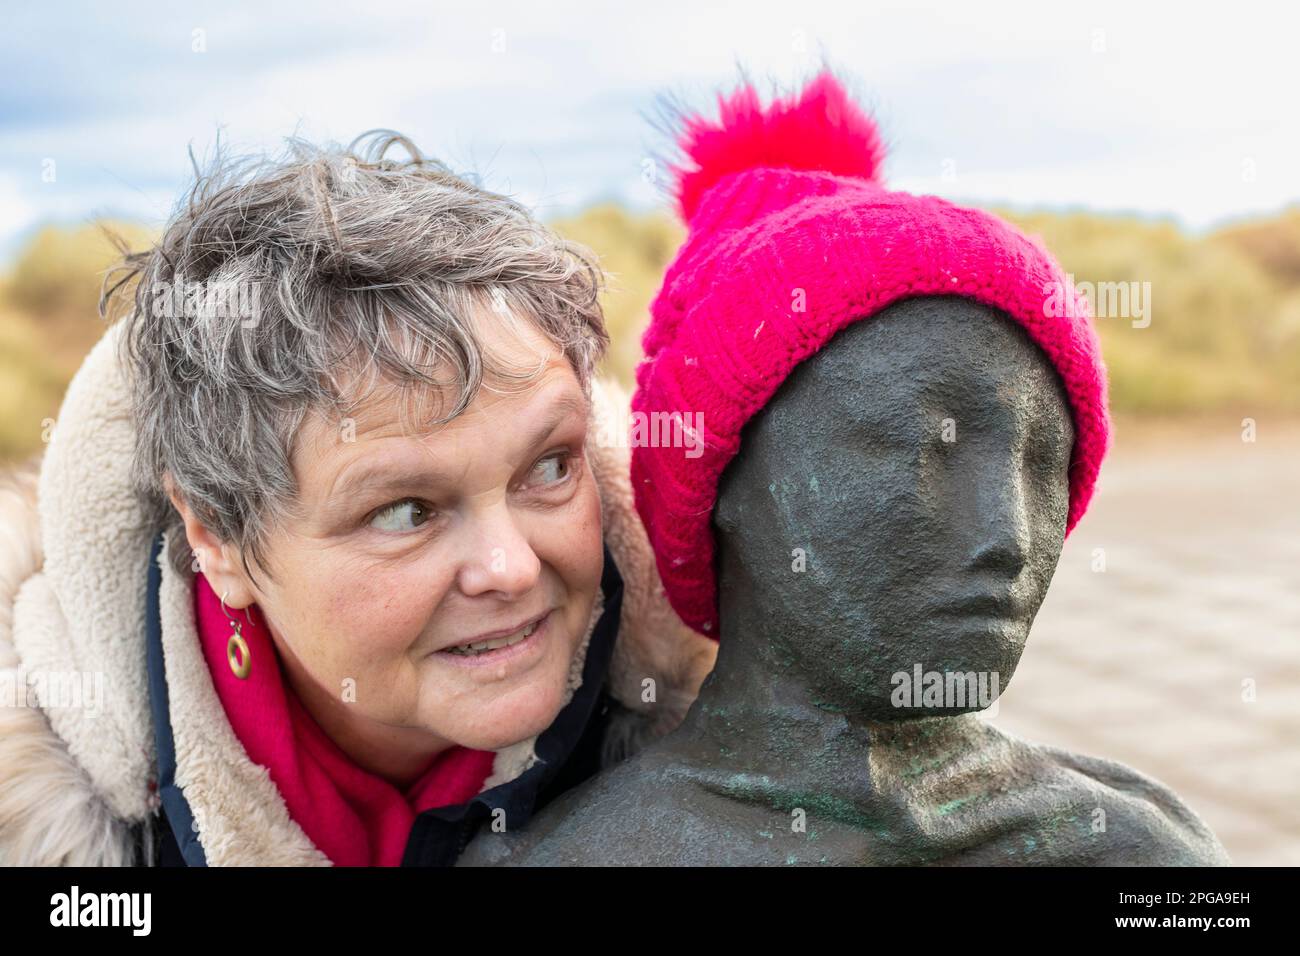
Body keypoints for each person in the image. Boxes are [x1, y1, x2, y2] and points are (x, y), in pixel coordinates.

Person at [457, 72, 1228, 866]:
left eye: (1044, 464)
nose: (1009, 536)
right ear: (722, 482)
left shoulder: (1139, 856)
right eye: (920, 447)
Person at [0, 131, 714, 866]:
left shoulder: (737, 726)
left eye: (550, 467)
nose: (513, 568)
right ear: (216, 537)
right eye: (406, 511)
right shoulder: (40, 823)